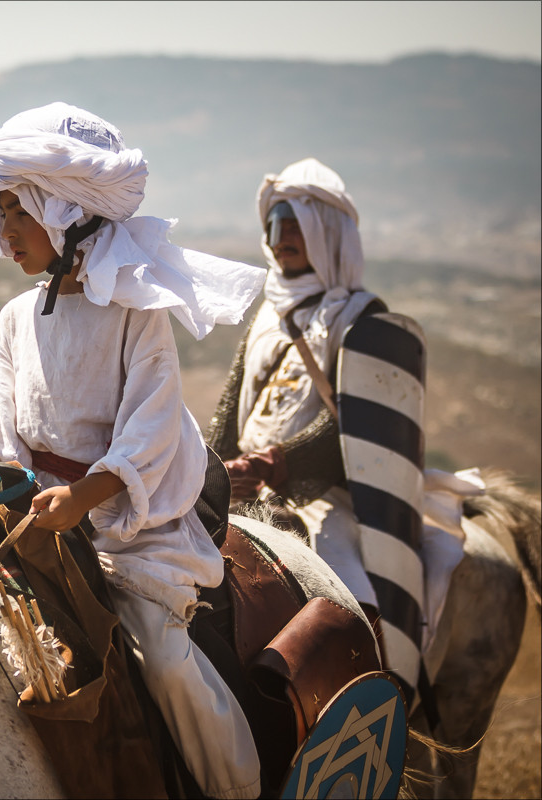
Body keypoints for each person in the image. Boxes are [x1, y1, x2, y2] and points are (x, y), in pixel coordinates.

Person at [0, 102, 266, 799]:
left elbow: (154, 425)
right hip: (31, 524)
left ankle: (238, 787)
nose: (6, 234)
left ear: (69, 213)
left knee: (162, 664)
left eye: (20, 214)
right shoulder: (16, 319)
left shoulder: (138, 312)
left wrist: (85, 497)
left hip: (129, 537)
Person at [202, 158, 403, 674]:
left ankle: (374, 687)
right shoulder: (268, 314)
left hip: (323, 492)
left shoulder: (364, 318)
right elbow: (230, 408)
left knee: (343, 581)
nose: (282, 235)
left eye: (296, 225)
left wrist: (273, 464)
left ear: (328, 233)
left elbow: (358, 422)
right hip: (247, 485)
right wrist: (217, 467)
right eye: (276, 223)